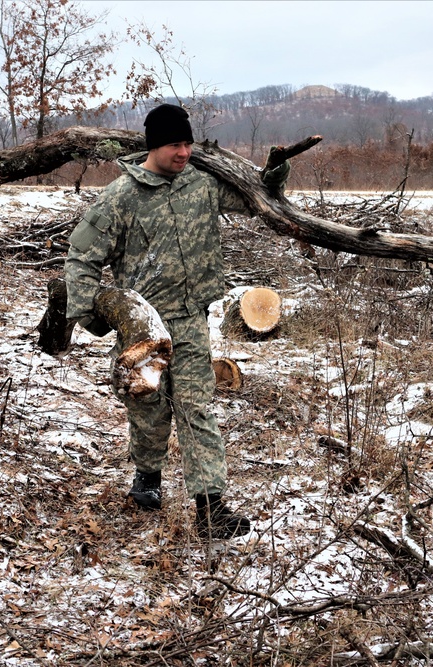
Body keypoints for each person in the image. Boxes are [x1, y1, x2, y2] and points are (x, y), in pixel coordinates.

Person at [64, 103, 289, 540]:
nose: (185, 152)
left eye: (188, 143)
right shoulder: (120, 198)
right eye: (175, 144)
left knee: (195, 408)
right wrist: (90, 314)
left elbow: (254, 198)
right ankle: (147, 477)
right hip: (143, 327)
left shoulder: (202, 185)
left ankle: (210, 506)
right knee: (146, 406)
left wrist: (274, 175)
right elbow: (81, 257)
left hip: (189, 321)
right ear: (154, 146)